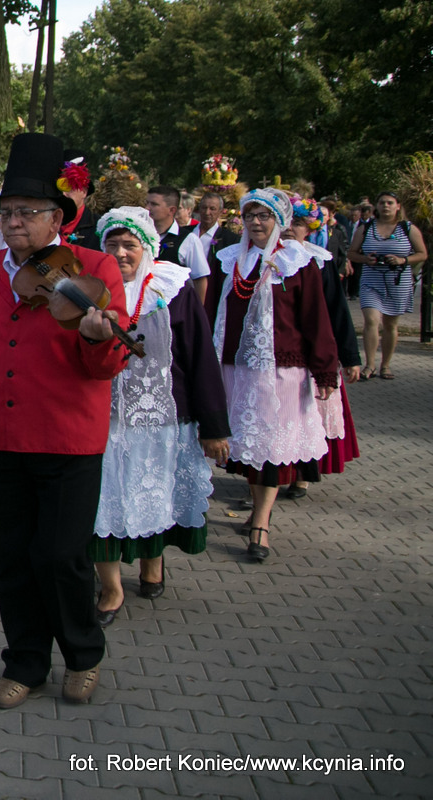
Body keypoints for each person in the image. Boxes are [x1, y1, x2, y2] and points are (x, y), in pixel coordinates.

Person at [0, 132, 130, 708]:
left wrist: (99, 340)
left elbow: (108, 363)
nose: (12, 221)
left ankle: (83, 651)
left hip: (68, 439)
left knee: (61, 557)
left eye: (26, 212)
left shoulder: (94, 269)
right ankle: (25, 660)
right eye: (6, 211)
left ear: (58, 217)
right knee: (12, 560)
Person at [88, 207, 230, 629]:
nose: (120, 253)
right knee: (103, 500)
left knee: (153, 492)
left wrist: (214, 426)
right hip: (104, 419)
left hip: (165, 419)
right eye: (111, 245)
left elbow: (201, 357)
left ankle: (153, 562)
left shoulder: (174, 288)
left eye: (129, 245)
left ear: (148, 248)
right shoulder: (89, 290)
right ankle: (111, 587)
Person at [205, 188, 339, 563]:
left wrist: (325, 368)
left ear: (279, 222)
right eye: (251, 215)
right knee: (248, 445)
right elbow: (212, 311)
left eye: (264, 216)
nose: (256, 222)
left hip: (281, 369)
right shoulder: (229, 259)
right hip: (235, 366)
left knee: (268, 449)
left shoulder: (297, 261)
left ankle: (262, 522)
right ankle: (256, 511)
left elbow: (315, 317)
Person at [281, 196, 361, 499]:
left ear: (309, 227)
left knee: (309, 413)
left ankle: (302, 473)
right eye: (286, 222)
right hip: (282, 351)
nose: (290, 229)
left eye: (298, 224)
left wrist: (349, 356)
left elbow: (336, 310)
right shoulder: (264, 259)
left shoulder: (320, 260)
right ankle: (270, 478)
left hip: (314, 350)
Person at [348, 191, 427, 380]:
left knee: (390, 324)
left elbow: (422, 254)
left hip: (397, 281)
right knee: (371, 320)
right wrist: (366, 259)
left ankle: (386, 365)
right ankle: (370, 365)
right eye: (382, 202)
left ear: (398, 206)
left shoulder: (408, 228)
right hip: (371, 280)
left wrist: (402, 260)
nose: (386, 206)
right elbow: (352, 253)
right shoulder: (366, 228)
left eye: (390, 203)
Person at [145, 185, 209, 300]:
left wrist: (197, 313)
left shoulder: (189, 240)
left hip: (176, 310)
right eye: (147, 203)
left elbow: (200, 280)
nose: (147, 208)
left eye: (154, 204)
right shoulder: (141, 235)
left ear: (172, 210)